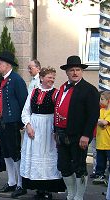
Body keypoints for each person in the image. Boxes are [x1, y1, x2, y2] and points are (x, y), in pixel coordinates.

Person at [54, 55, 100, 200]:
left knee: (79, 167)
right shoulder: (63, 88)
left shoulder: (89, 90)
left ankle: (79, 196)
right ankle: (71, 194)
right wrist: (55, 130)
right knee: (64, 167)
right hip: (62, 134)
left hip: (79, 136)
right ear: (67, 72)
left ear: (82, 71)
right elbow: (58, 109)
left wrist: (86, 135)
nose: (75, 72)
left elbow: (93, 115)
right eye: (72, 70)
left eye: (78, 70)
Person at [20, 67, 66, 199]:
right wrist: (28, 126)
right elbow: (26, 111)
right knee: (34, 156)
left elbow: (59, 113)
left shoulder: (56, 93)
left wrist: (56, 130)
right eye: (49, 77)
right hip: (34, 126)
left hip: (48, 128)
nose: (52, 80)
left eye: (53, 77)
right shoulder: (33, 92)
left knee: (47, 157)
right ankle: (38, 188)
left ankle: (48, 189)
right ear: (41, 78)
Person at [0, 51, 28, 198]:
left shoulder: (16, 80)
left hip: (12, 122)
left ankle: (21, 185)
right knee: (6, 153)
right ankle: (11, 181)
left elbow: (24, 102)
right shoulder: (3, 80)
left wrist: (21, 123)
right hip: (3, 121)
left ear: (7, 65)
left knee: (15, 154)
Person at [93, 91, 110, 186]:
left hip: (108, 143)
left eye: (102, 99)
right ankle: (100, 176)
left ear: (108, 101)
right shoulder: (101, 111)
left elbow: (104, 123)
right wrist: (100, 121)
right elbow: (97, 120)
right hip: (100, 142)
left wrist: (99, 121)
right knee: (100, 161)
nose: (100, 101)